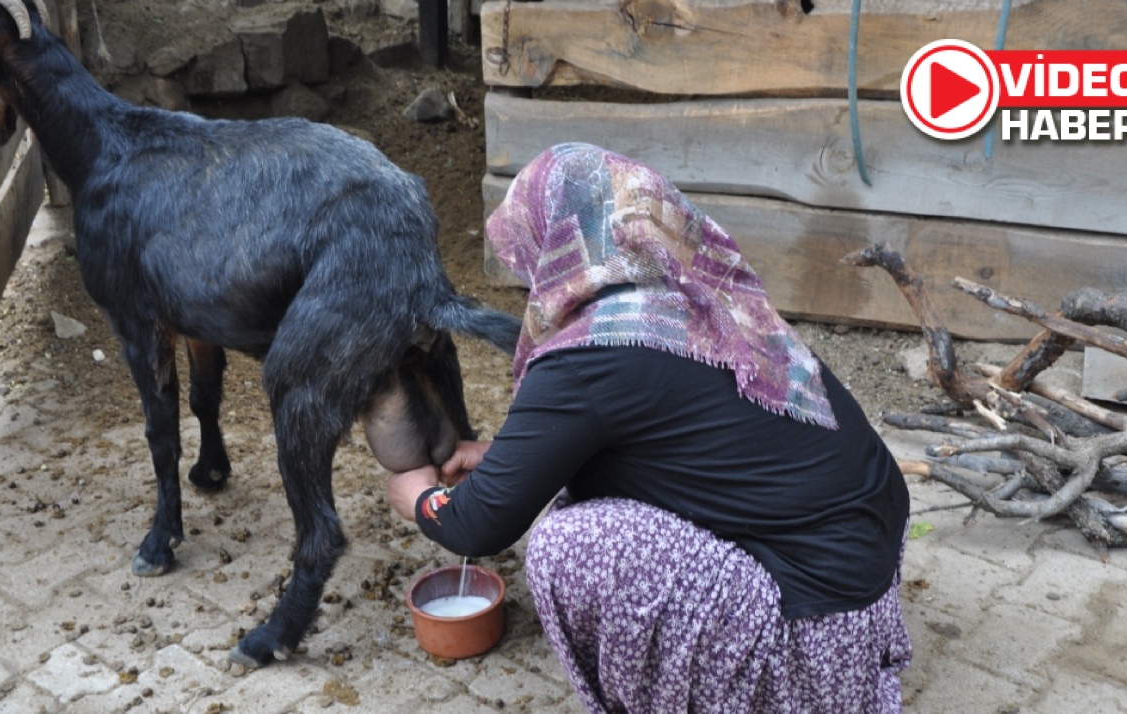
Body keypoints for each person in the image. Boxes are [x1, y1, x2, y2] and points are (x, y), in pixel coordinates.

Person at [386, 142, 912, 713]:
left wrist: (420, 497)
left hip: (815, 626)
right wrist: (505, 457)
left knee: (566, 545)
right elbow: (661, 430)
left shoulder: (587, 355)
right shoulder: (699, 297)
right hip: (868, 571)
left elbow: (477, 524)